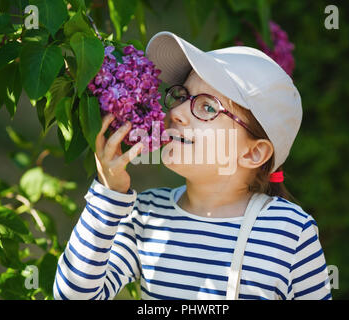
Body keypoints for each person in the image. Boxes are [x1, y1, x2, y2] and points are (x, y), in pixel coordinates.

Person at [53, 31, 332, 300]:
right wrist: (109, 195)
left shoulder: (290, 231)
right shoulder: (145, 215)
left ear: (253, 153)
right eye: (181, 96)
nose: (175, 113)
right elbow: (74, 295)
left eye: (208, 107)